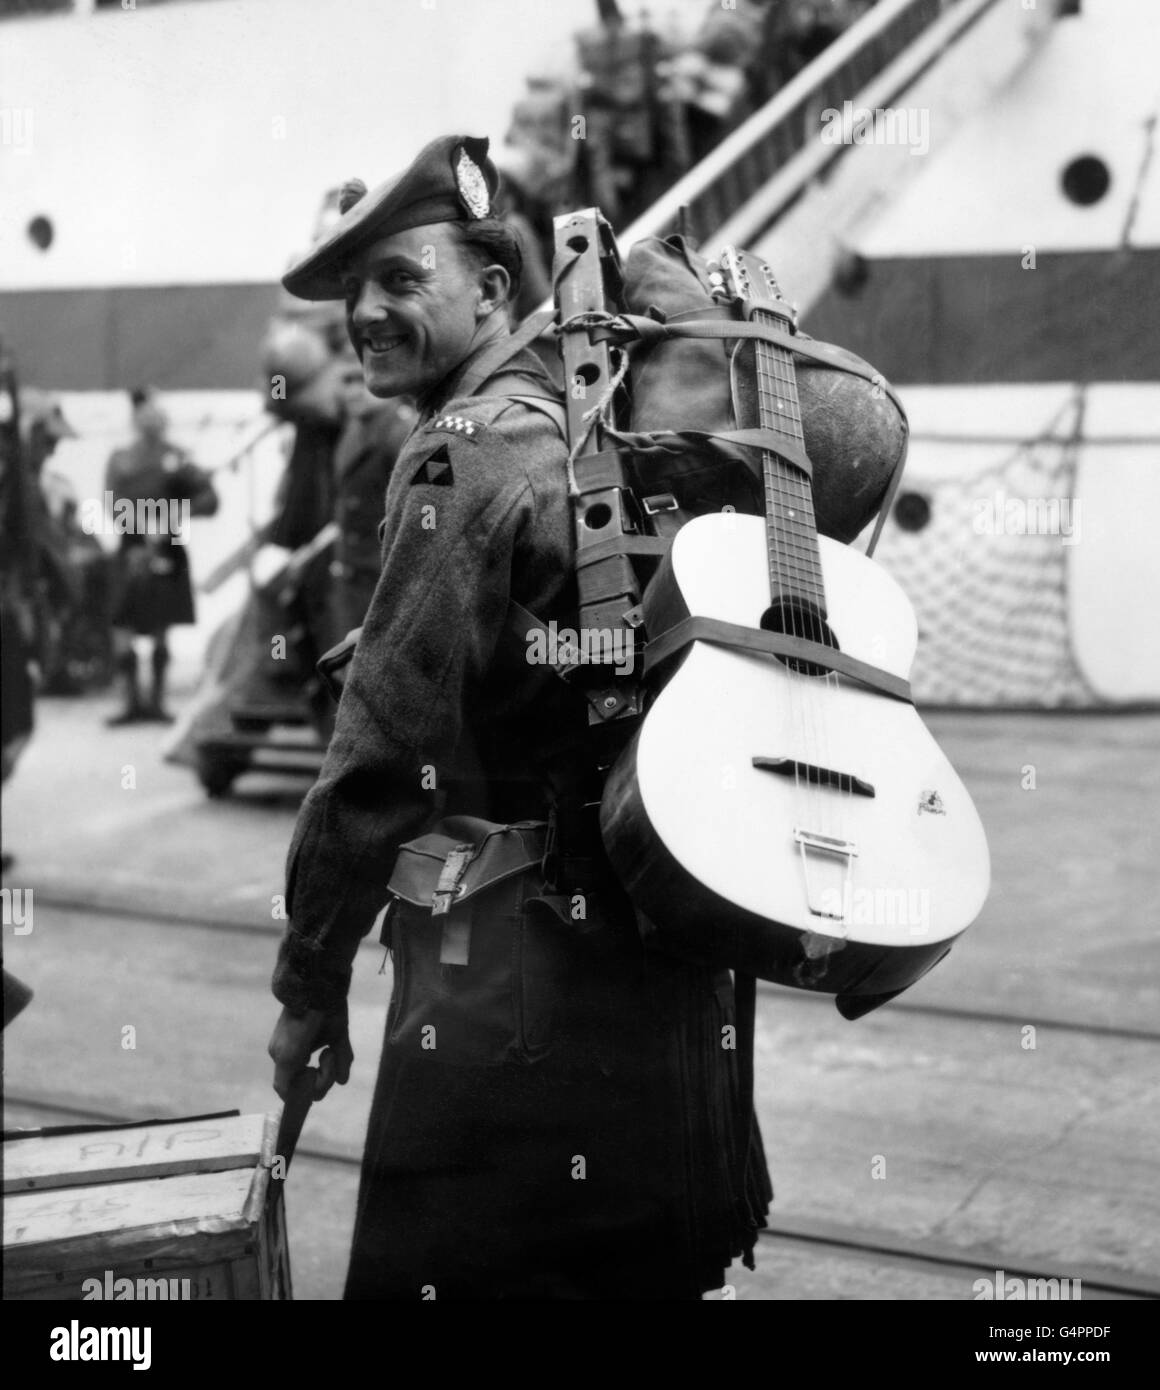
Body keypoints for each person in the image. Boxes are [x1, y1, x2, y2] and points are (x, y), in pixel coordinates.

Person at [266, 133, 771, 1300]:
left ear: (492, 289)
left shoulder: (460, 452)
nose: (366, 312)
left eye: (402, 278)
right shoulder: (578, 418)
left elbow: (379, 764)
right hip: (662, 981)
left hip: (513, 1004)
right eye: (354, 289)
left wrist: (309, 982)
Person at [104, 387, 218, 724]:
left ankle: (156, 702)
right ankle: (131, 703)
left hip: (168, 548)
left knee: (160, 624)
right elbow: (112, 503)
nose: (151, 424)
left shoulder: (177, 458)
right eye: (145, 418)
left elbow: (209, 500)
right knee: (122, 624)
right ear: (135, 421)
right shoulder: (121, 458)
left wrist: (178, 512)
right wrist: (142, 525)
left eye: (157, 418)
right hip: (132, 548)